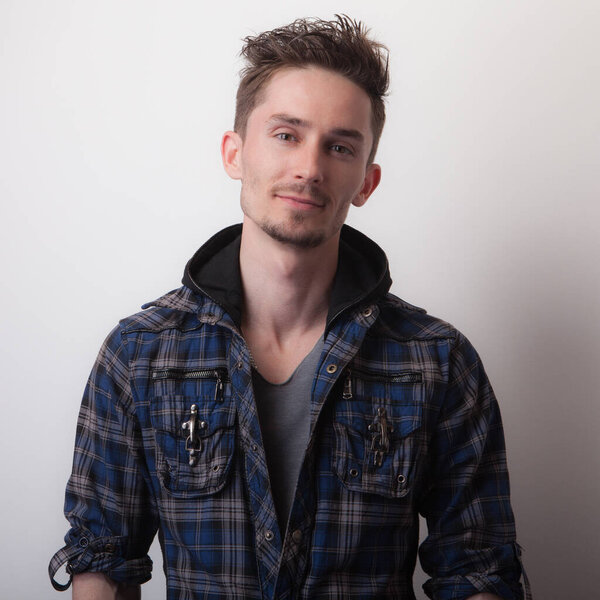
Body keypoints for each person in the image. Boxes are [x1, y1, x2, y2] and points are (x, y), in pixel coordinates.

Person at [49, 15, 530, 600]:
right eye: (286, 134)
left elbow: (476, 570)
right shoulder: (138, 353)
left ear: (366, 182)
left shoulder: (437, 360)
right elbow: (104, 562)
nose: (308, 167)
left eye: (339, 146)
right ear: (235, 153)